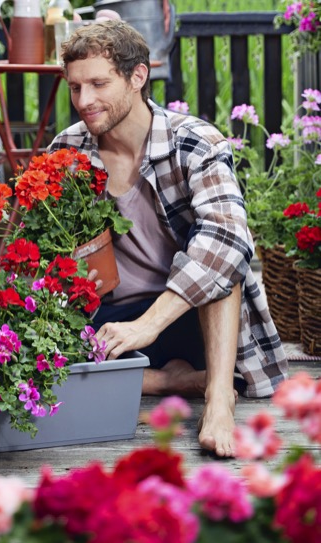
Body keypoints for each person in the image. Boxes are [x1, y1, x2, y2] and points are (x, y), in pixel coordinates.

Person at [48, 20, 289, 458]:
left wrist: (149, 325)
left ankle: (218, 397)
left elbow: (229, 239)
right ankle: (166, 381)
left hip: (190, 315)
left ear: (138, 77)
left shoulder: (193, 142)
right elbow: (49, 259)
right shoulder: (67, 151)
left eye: (99, 84)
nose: (84, 101)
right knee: (30, 349)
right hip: (112, 321)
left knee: (220, 261)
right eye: (75, 87)